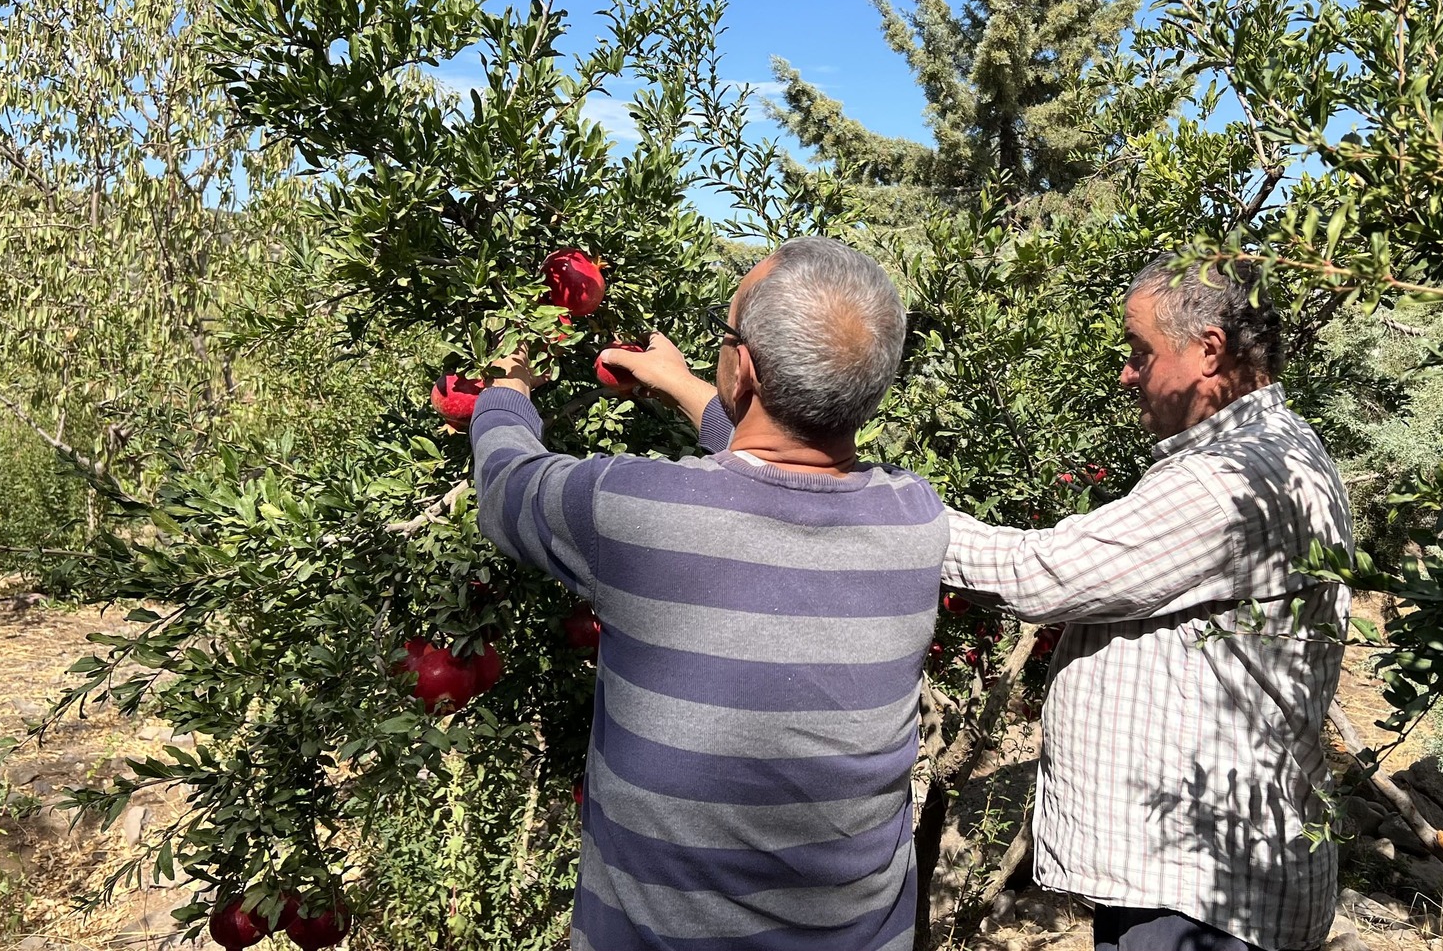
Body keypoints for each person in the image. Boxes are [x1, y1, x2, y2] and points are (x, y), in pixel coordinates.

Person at [469, 236, 946, 951]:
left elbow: (506, 485)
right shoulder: (915, 517)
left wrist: (507, 389)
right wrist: (687, 384)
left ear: (746, 367)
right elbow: (781, 452)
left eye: (726, 336)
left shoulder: (632, 508)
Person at [939, 256, 1355, 951]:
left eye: (1140, 352)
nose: (1127, 373)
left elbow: (1038, 574)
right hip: (1201, 873)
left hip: (1199, 893)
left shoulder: (1230, 482)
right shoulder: (1278, 448)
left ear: (1208, 352)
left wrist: (889, 508)